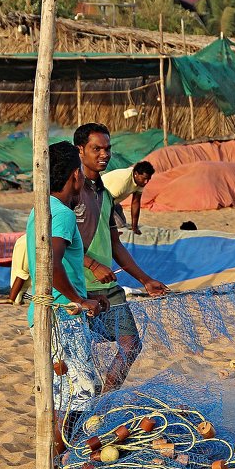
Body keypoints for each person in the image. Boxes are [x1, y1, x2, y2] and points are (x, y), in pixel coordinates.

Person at [73, 122, 169, 392]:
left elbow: (115, 243)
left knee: (130, 345)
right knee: (79, 358)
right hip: (78, 287)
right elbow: (59, 242)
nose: (104, 154)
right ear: (80, 150)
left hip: (108, 287)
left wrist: (145, 280)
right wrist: (91, 263)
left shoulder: (105, 193)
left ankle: (106, 400)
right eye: (96, 149)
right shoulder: (70, 191)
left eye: (107, 149)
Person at [26, 140, 103, 424]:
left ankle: (60, 463)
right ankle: (65, 463)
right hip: (62, 317)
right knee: (78, 398)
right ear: (75, 175)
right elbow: (51, 264)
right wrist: (79, 300)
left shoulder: (41, 209)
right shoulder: (62, 214)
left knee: (62, 395)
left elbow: (60, 267)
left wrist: (88, 295)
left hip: (52, 313)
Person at [102, 160, 155, 234]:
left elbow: (135, 203)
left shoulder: (140, 182)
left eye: (148, 179)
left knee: (123, 222)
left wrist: (134, 227)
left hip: (113, 201)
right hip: (100, 200)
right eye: (144, 178)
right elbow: (106, 202)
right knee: (119, 227)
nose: (146, 182)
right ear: (136, 174)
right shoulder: (123, 181)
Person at [8, 232, 29, 305]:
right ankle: (15, 298)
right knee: (22, 271)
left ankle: (14, 298)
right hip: (25, 293)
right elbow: (22, 274)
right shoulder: (26, 241)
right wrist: (11, 299)